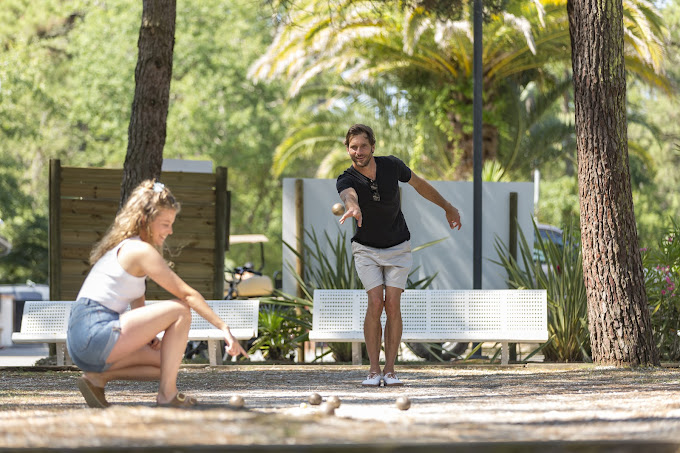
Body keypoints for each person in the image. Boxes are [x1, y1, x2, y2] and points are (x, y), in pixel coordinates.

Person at [66, 180, 248, 408]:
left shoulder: (129, 248)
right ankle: (168, 396)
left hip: (83, 342)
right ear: (145, 220)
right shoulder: (139, 250)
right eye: (165, 224)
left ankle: (96, 379)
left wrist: (151, 338)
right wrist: (224, 328)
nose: (170, 231)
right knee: (180, 309)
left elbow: (138, 306)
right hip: (94, 332)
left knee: (167, 360)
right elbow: (187, 294)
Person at [336, 124, 461, 387]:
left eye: (363, 146)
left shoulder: (392, 166)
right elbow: (349, 196)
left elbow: (419, 185)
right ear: (347, 149)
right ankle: (373, 370)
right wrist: (353, 207)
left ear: (373, 146)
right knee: (375, 302)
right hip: (366, 249)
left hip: (398, 246)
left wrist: (447, 207)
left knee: (392, 304)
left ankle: (390, 370)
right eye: (353, 147)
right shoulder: (346, 178)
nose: (359, 151)